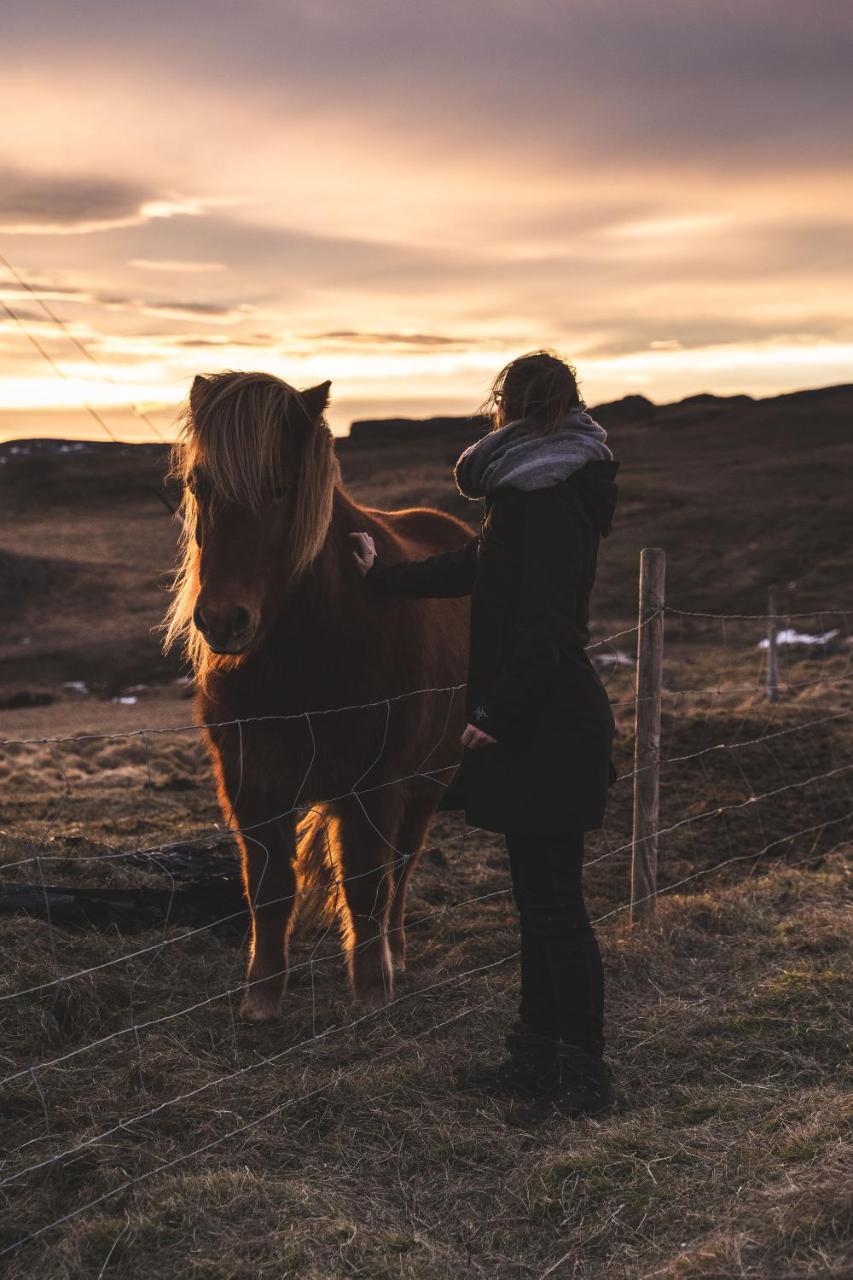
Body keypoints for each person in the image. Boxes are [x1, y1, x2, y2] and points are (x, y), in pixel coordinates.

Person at [349, 350, 619, 1120]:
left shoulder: (547, 495)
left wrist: (494, 712)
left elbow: (545, 624)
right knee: (538, 905)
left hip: (545, 724)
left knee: (556, 909)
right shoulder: (537, 488)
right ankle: (535, 1057)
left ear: (507, 406)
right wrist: (382, 577)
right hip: (542, 720)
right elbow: (483, 566)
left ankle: (581, 1076)